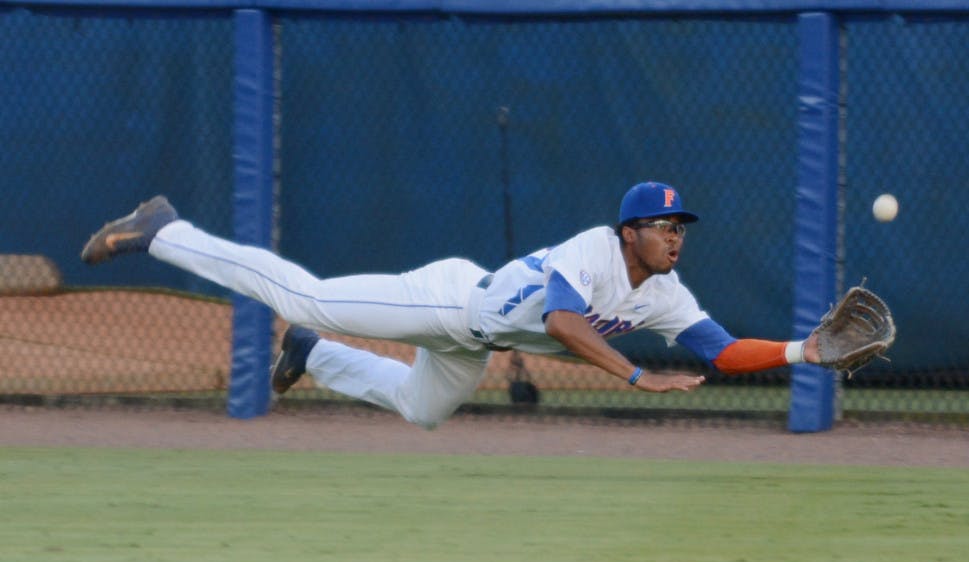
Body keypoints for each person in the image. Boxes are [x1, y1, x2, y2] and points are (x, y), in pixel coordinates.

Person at [82, 181, 820, 429]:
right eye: (663, 227)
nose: (674, 237)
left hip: (476, 339)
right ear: (631, 231)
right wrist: (634, 377)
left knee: (421, 410)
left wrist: (802, 352)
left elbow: (721, 352)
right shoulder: (594, 250)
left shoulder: (664, 294)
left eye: (680, 228)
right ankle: (165, 229)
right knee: (304, 293)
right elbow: (563, 321)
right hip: (444, 301)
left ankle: (314, 353)